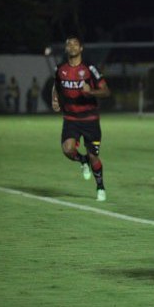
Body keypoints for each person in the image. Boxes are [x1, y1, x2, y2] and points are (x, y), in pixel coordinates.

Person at [52, 35, 111, 201]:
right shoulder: (60, 69)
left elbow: (106, 91)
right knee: (67, 149)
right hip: (70, 118)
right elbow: (56, 85)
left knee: (94, 157)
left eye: (75, 44)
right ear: (66, 49)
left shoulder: (89, 69)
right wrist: (54, 99)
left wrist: (90, 91)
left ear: (81, 48)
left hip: (90, 119)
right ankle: (82, 160)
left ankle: (100, 186)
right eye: (68, 44)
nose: (71, 46)